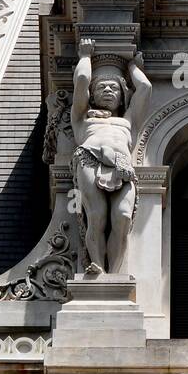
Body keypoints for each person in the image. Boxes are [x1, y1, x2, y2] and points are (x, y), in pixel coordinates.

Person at [70, 39, 152, 274]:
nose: (108, 90)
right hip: (90, 160)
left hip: (123, 167)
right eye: (102, 87)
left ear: (122, 94)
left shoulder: (128, 122)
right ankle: (96, 265)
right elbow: (82, 80)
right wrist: (85, 55)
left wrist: (133, 67)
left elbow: (145, 88)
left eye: (114, 88)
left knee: (123, 217)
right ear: (93, 95)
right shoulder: (82, 119)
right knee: (96, 216)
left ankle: (114, 275)